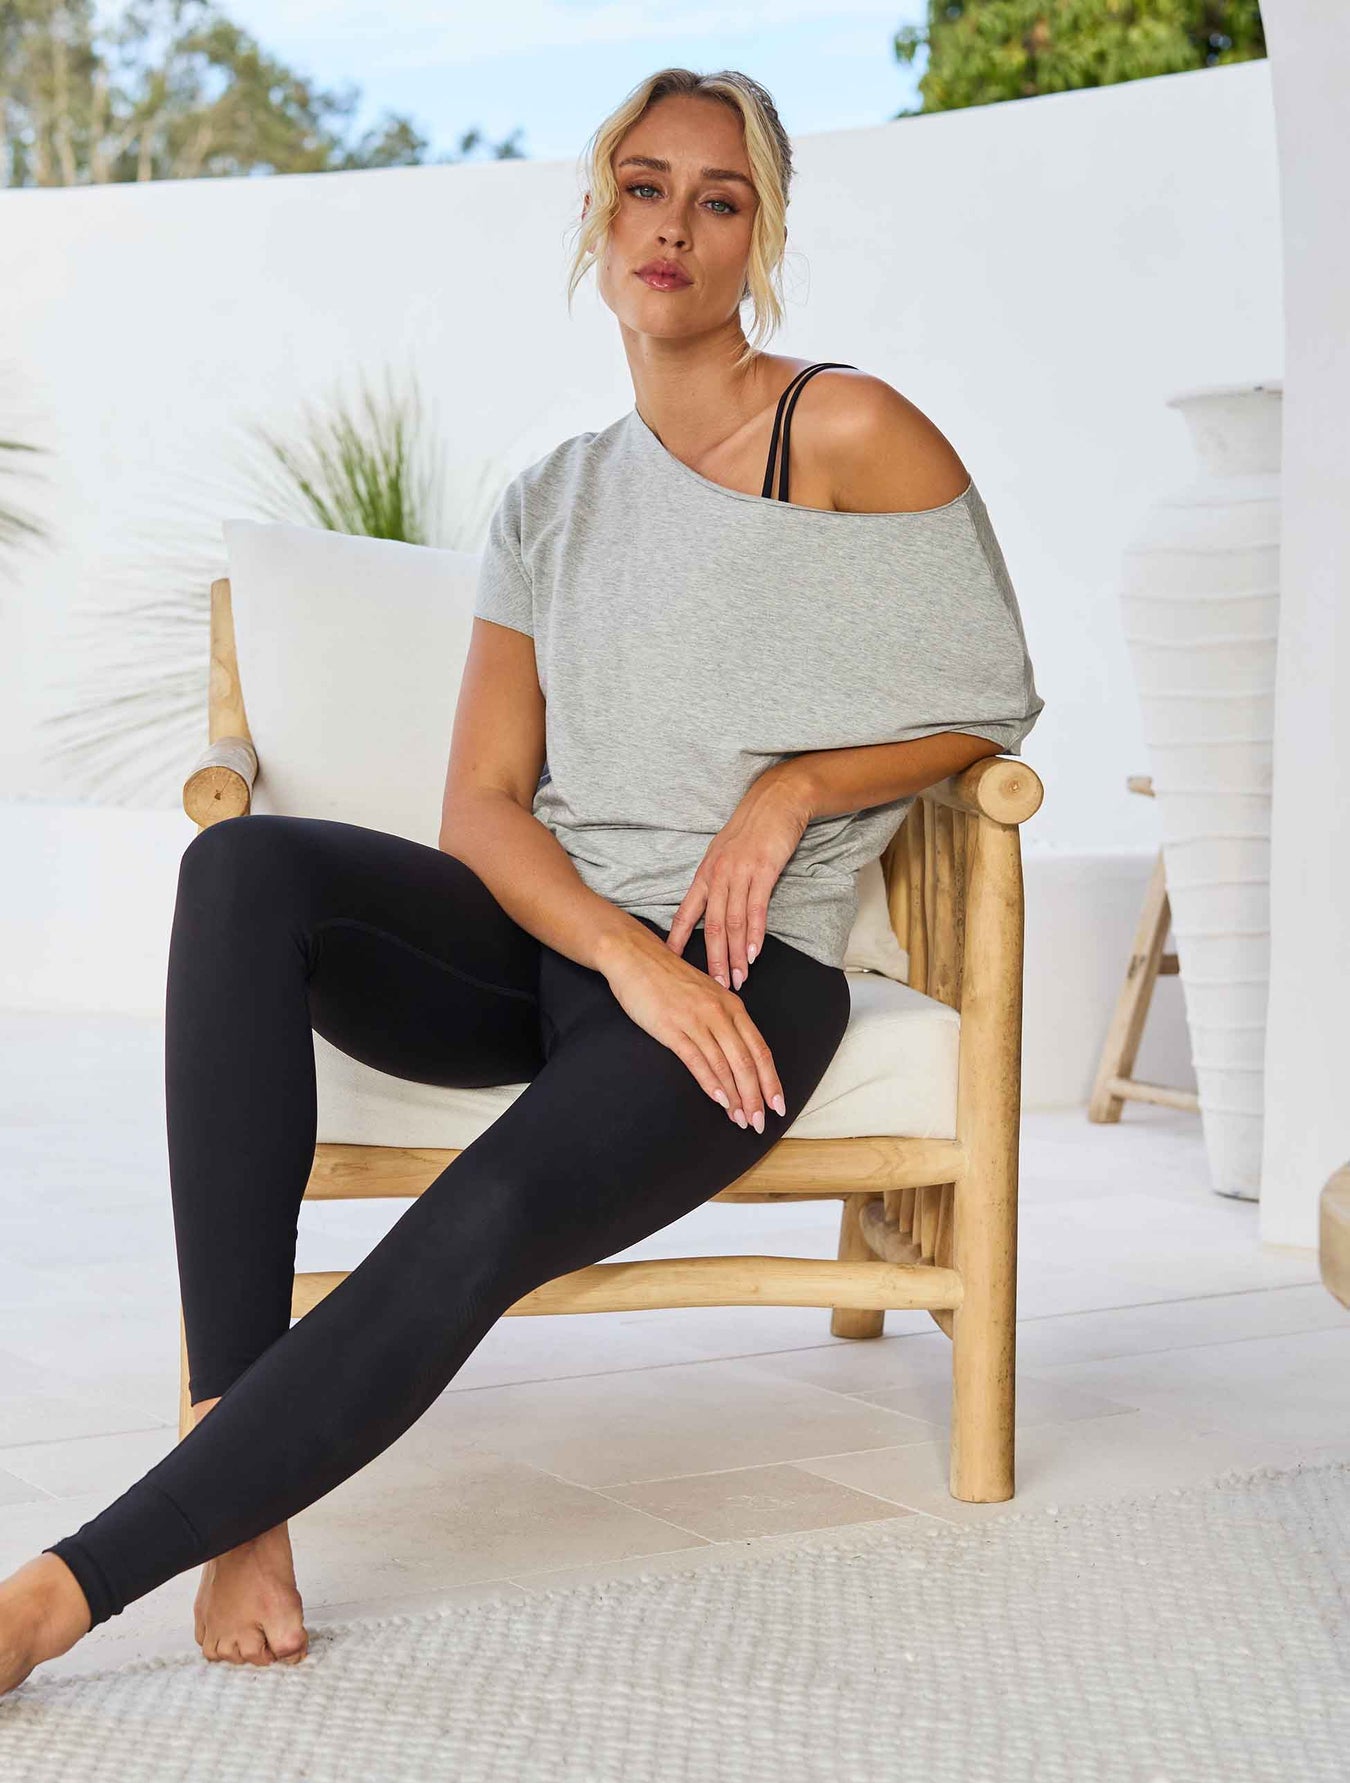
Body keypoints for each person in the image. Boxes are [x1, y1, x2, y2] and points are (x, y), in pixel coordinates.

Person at [0, 65, 1043, 1696]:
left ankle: (56, 1599)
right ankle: (239, 1479)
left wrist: (793, 790)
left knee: (477, 1218)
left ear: (761, 235)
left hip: (744, 971)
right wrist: (622, 960)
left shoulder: (838, 429)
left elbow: (988, 698)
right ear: (598, 213)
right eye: (643, 186)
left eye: (719, 198)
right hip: (567, 945)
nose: (673, 226)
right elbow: (481, 810)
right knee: (244, 869)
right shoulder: (552, 500)